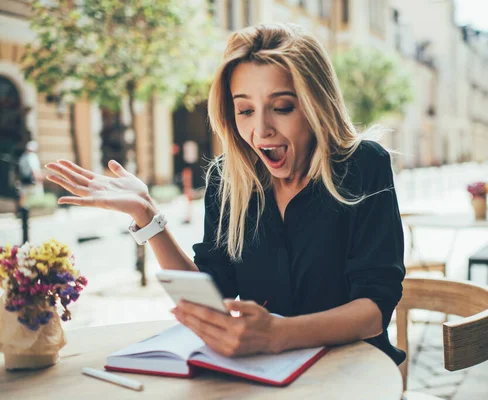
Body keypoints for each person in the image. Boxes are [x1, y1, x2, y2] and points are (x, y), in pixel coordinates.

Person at [45, 23, 406, 365]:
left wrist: (277, 334)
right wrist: (145, 215)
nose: (261, 129)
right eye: (245, 110)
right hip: (263, 376)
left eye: (282, 107)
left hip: (353, 373)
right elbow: (209, 297)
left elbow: (374, 309)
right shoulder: (227, 179)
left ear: (316, 105)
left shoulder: (364, 165)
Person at [18, 140, 44, 208]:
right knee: (33, 196)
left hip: (24, 179)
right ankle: (27, 211)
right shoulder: (32, 156)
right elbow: (34, 169)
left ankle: (22, 211)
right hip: (31, 179)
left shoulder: (23, 156)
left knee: (23, 196)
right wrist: (39, 178)